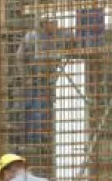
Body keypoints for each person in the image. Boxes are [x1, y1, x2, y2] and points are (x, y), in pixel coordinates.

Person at [8, 18, 76, 147]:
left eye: (55, 23)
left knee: (45, 108)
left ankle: (41, 138)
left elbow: (73, 40)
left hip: (49, 79)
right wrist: (26, 76)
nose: (54, 26)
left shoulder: (62, 34)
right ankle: (31, 140)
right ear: (44, 24)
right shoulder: (32, 37)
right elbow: (19, 57)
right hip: (34, 79)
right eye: (51, 23)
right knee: (32, 108)